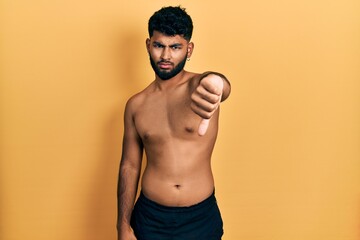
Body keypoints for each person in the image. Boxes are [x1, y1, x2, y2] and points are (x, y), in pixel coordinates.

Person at [117, 6, 231, 240]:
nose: (166, 56)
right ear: (148, 45)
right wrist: (123, 226)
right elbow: (129, 166)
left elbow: (218, 84)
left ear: (189, 49)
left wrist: (218, 83)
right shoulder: (136, 105)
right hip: (150, 218)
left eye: (175, 47)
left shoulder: (200, 87)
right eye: (159, 46)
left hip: (200, 217)